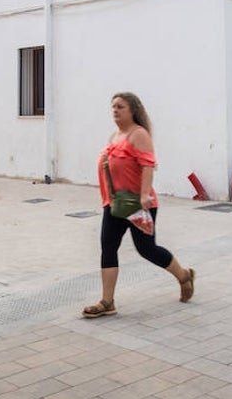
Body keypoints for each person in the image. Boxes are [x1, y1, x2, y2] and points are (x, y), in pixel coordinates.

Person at [82, 91, 194, 318]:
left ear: (132, 110)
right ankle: (107, 301)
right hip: (114, 204)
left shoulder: (139, 134)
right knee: (108, 248)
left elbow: (148, 165)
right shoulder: (114, 135)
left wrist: (144, 195)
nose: (115, 110)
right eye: (113, 106)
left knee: (147, 250)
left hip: (137, 204)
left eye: (120, 107)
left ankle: (183, 275)